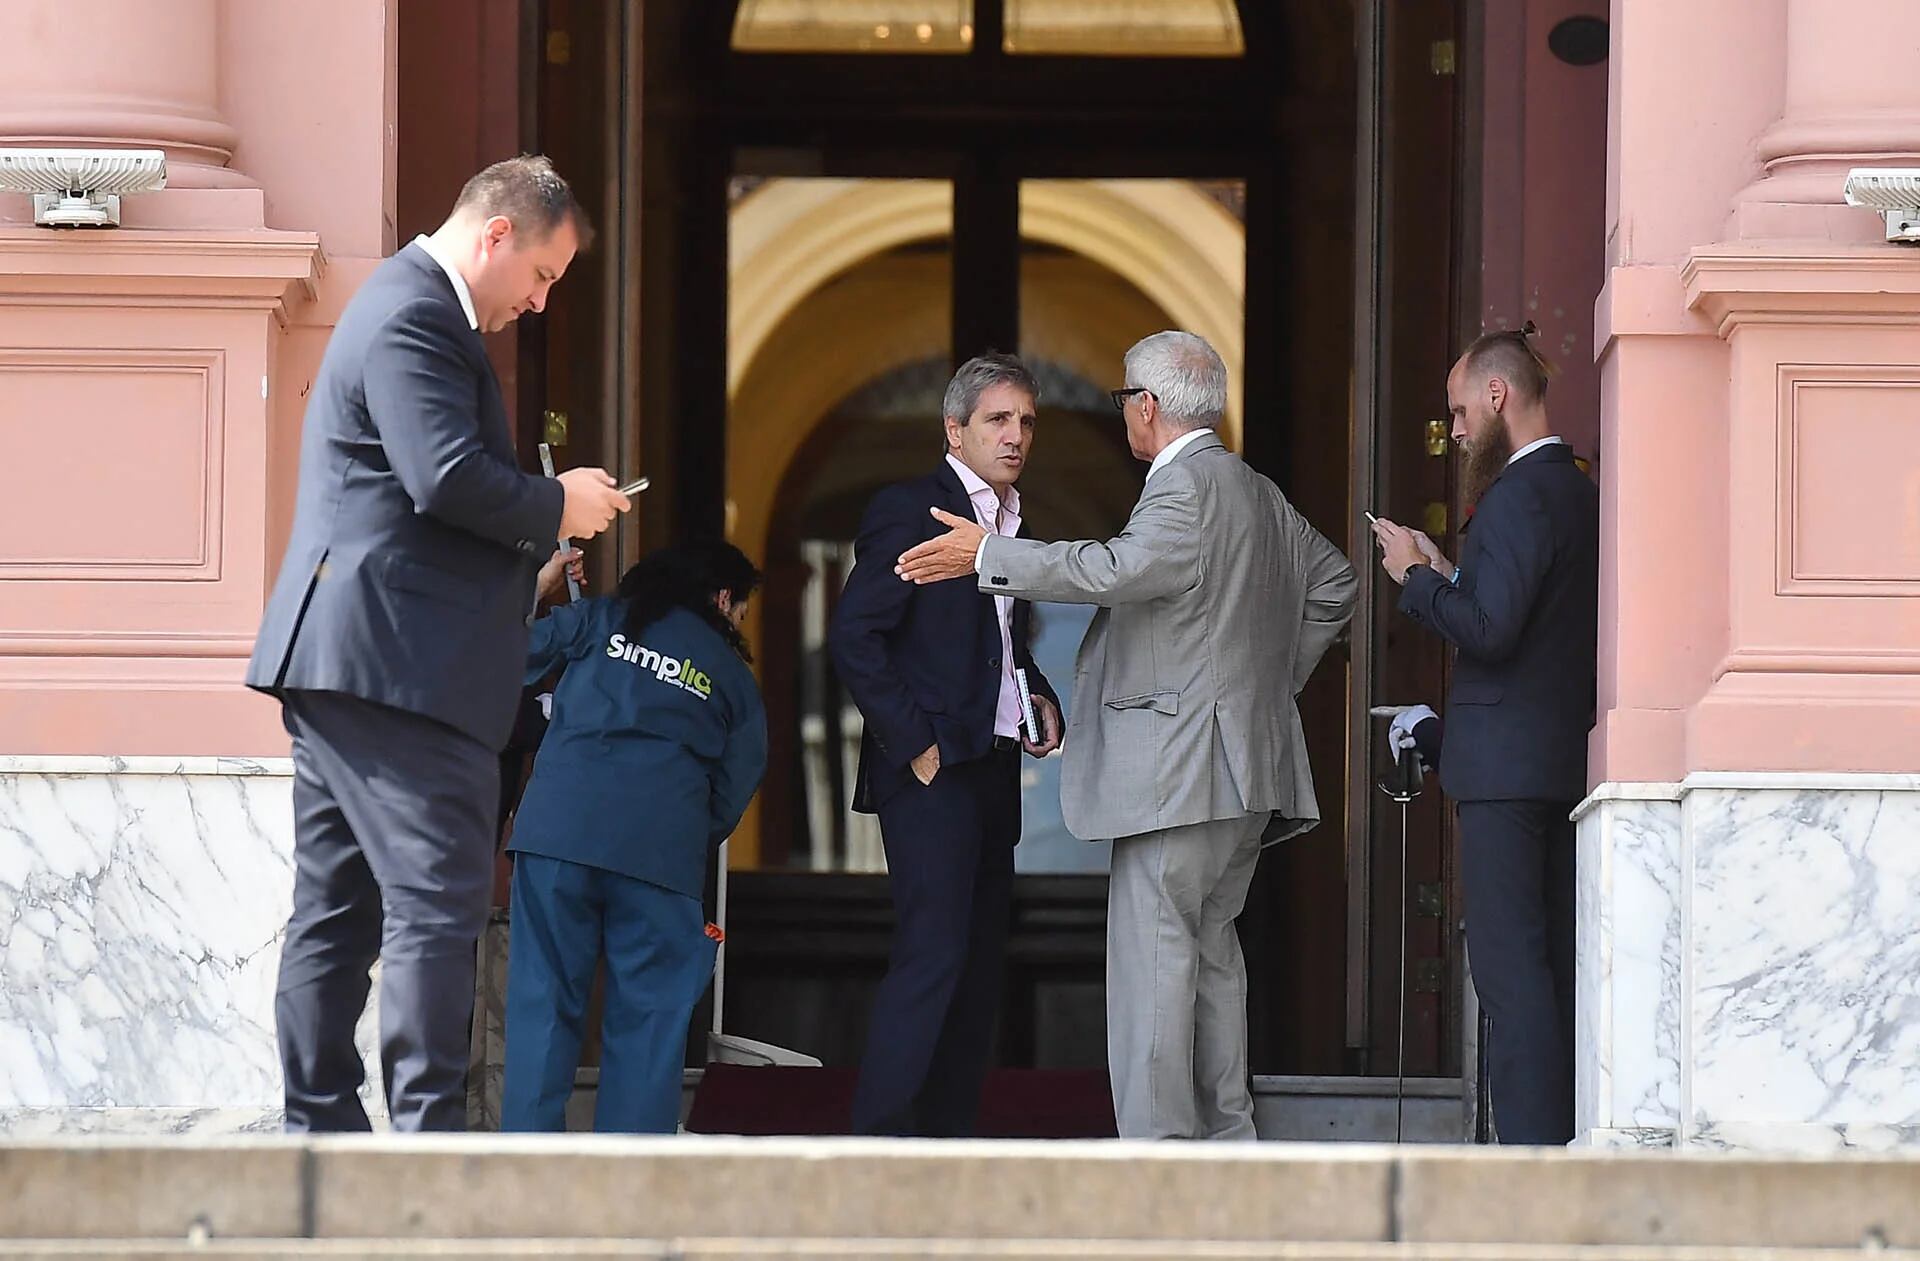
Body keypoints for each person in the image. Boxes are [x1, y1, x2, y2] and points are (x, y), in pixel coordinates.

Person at [246, 155, 631, 1132]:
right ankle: (426, 1151)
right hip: (397, 672)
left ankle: (320, 1133)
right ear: (497, 235)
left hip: (358, 657)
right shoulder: (417, 310)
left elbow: (410, 503)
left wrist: (527, 576)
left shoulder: (404, 305)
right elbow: (444, 476)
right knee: (433, 906)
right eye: (543, 275)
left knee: (337, 912)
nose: (541, 303)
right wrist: (560, 502)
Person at [897, 331, 1356, 1141]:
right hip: (1243, 770)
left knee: (1155, 965)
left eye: (1124, 403)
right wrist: (1264, 687)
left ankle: (1162, 1157)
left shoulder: (1181, 488)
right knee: (1212, 956)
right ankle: (1225, 1140)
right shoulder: (1256, 490)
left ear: (1146, 406)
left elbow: (1116, 570)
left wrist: (990, 555)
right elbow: (1335, 583)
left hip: (1177, 773)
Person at [1369, 324, 1598, 1145]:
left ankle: (1532, 1163)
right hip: (1556, 764)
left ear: (1497, 396)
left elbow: (1493, 631)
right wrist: (1449, 573)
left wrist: (1417, 580)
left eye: (1461, 410)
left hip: (1503, 777)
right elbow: (1520, 618)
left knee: (1511, 980)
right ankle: (1557, 1147)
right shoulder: (1575, 487)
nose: (1457, 429)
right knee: (1552, 971)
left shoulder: (1515, 493)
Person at [829, 352, 1062, 1137]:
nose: (1016, 434)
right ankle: (881, 1144)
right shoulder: (912, 508)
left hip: (992, 766)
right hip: (933, 770)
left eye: (1027, 420)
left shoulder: (1012, 521)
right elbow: (856, 634)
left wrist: (1037, 697)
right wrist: (917, 745)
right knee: (933, 957)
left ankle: (948, 1141)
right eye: (999, 419)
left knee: (978, 962)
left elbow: (1000, 644)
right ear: (954, 430)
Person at [502, 540, 767, 1134]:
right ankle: (627, 1199)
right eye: (742, 606)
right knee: (647, 1031)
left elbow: (498, 656)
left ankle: (519, 1179)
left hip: (557, 838)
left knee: (541, 1013)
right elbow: (738, 780)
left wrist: (536, 591)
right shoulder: (730, 675)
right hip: (659, 857)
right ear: (723, 598)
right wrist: (684, 835)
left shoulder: (597, 619)